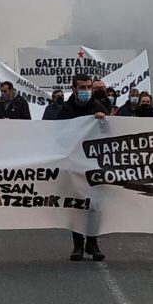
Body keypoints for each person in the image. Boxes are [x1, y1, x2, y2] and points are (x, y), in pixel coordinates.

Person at [43, 72, 108, 262]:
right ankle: (78, 244)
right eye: (82, 88)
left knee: (94, 205)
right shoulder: (65, 110)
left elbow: (110, 135)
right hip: (73, 163)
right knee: (76, 204)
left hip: (94, 163)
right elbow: (59, 136)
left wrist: (103, 121)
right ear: (73, 89)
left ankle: (93, 243)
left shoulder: (98, 107)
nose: (86, 91)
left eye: (89, 87)